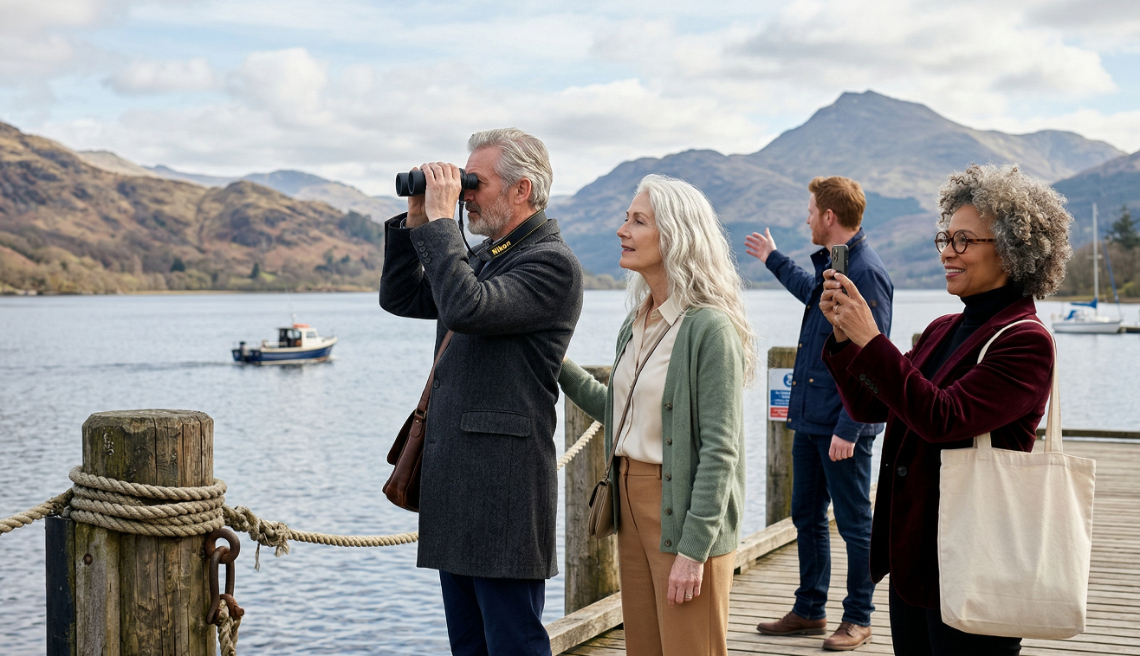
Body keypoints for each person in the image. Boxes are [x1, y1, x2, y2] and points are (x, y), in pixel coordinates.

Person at [818, 164, 1071, 655]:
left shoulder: (1026, 341)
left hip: (977, 562)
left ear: (1014, 251)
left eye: (964, 241)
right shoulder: (940, 329)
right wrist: (846, 338)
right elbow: (874, 402)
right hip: (916, 560)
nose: (947, 253)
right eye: (945, 238)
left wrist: (874, 339)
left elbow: (944, 418)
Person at [379, 128, 584, 656]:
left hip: (505, 496)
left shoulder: (551, 263)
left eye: (476, 182)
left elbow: (468, 308)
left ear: (523, 189)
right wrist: (418, 220)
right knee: (468, 648)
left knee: (514, 645)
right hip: (458, 490)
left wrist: (445, 223)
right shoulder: (488, 257)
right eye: (463, 182)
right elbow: (401, 297)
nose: (465, 192)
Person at [559, 174, 755, 656]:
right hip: (630, 505)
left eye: (638, 220)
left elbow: (720, 449)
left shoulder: (710, 327)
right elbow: (620, 412)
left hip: (684, 510)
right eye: (627, 218)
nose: (622, 229)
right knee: (642, 649)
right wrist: (552, 361)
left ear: (675, 236)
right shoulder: (637, 319)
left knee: (692, 649)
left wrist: (694, 551)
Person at [745, 176, 892, 650]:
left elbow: (877, 355)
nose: (805, 218)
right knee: (805, 517)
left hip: (842, 426)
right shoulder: (835, 265)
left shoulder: (866, 272)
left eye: (810, 211)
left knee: (854, 524)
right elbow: (809, 291)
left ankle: (859, 618)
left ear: (830, 217)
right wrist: (773, 258)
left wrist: (850, 427)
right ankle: (809, 609)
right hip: (809, 420)